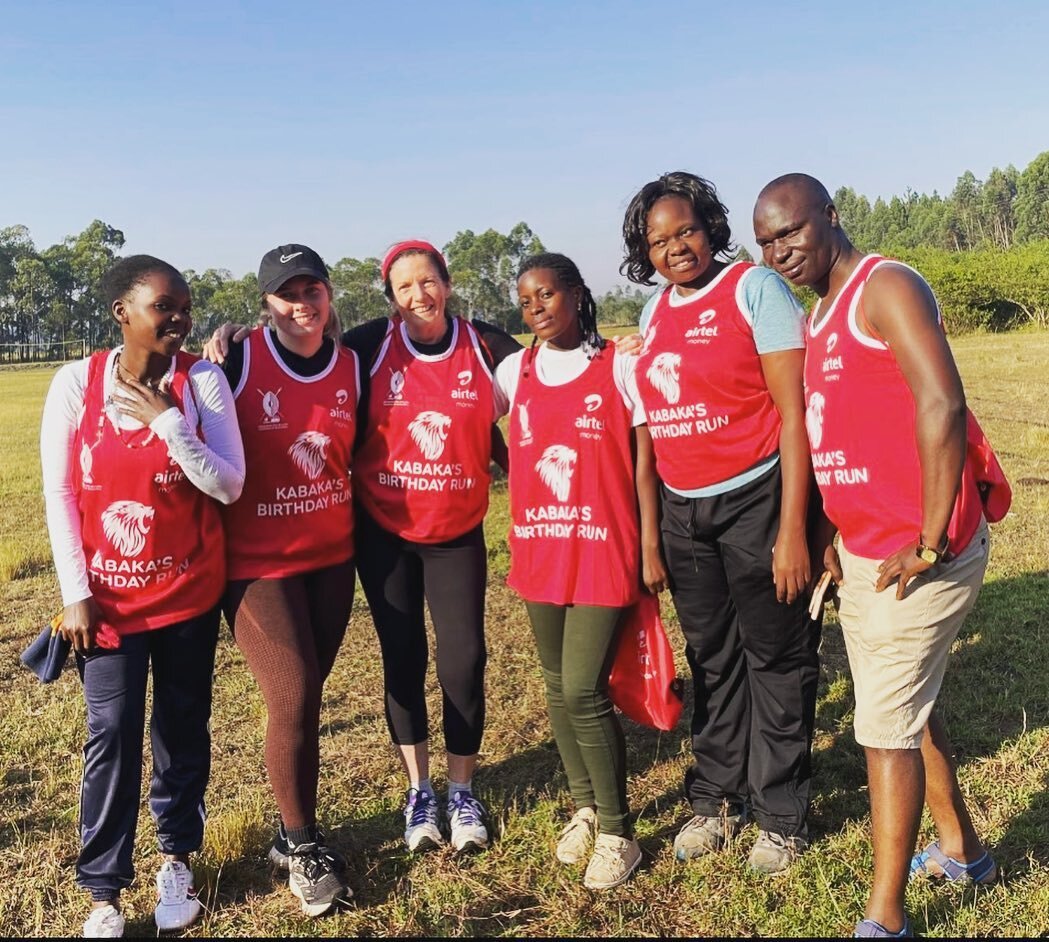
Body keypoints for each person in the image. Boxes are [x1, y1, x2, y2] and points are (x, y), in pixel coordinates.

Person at [205, 240, 522, 855]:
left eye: (427, 281)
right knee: (399, 661)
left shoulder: (485, 345)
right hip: (381, 536)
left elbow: (554, 377)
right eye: (404, 287)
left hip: (454, 534)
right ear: (390, 299)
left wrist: (614, 351)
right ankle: (418, 790)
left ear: (447, 283)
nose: (418, 296)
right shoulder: (370, 346)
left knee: (465, 661)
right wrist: (228, 336)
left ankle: (462, 791)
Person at [754, 174, 998, 939]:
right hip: (864, 552)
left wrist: (927, 539)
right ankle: (962, 852)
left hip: (919, 553)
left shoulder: (882, 285)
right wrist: (830, 533)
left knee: (883, 732)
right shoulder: (820, 312)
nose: (778, 251)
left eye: (789, 232)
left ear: (829, 216)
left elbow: (941, 401)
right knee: (903, 710)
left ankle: (884, 919)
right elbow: (845, 431)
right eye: (764, 242)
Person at [621, 171, 821, 875]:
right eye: (657, 240)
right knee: (711, 660)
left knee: (775, 657)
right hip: (684, 511)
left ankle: (781, 815)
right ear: (642, 253)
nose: (675, 247)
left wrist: (793, 528)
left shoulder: (751, 289)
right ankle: (715, 800)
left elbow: (794, 413)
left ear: (709, 227)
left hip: (758, 498)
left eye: (685, 231)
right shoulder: (652, 315)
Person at [40, 255, 245, 938]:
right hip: (107, 606)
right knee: (113, 732)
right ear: (122, 313)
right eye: (165, 305)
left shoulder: (203, 382)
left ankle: (177, 861)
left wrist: (169, 425)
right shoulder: (77, 383)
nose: (180, 318)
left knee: (182, 729)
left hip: (187, 594)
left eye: (185, 305)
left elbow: (228, 484)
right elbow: (61, 492)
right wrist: (75, 593)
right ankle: (103, 891)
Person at [492, 252, 666, 889]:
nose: (536, 309)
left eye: (547, 296)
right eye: (526, 301)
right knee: (552, 682)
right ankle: (584, 807)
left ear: (576, 295)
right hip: (540, 548)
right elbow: (460, 410)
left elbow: (645, 463)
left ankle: (620, 832)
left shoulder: (621, 363)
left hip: (604, 548)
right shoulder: (517, 369)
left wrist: (650, 545)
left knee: (584, 689)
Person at [217, 244, 359, 916]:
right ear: (266, 305)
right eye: (287, 294)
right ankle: (304, 847)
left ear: (328, 295)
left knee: (304, 700)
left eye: (312, 290)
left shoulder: (350, 365)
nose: (302, 304)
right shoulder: (238, 360)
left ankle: (284, 830)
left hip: (331, 560)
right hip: (255, 566)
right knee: (296, 692)